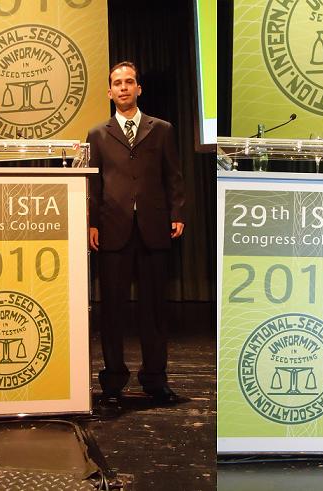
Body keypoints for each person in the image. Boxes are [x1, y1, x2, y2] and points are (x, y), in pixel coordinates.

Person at [87, 61, 186, 404]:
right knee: (112, 310)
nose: (124, 87)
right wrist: (91, 222)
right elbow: (94, 184)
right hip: (111, 228)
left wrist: (177, 212)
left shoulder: (162, 129)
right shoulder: (97, 134)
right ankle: (113, 381)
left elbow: (173, 175)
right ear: (109, 91)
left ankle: (155, 380)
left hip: (153, 227)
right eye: (118, 83)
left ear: (139, 89)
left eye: (129, 82)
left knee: (154, 311)